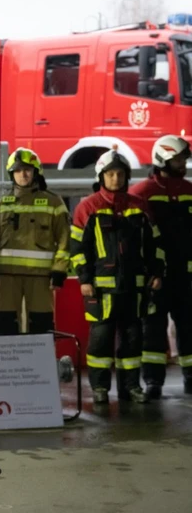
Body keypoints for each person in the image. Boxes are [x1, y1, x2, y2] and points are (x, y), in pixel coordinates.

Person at [70, 148, 164, 404]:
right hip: (100, 290)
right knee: (100, 340)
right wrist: (85, 279)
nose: (115, 179)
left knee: (132, 341)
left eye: (120, 174)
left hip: (134, 288)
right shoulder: (87, 207)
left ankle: (130, 387)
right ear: (101, 176)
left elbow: (154, 244)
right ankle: (100, 389)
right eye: (110, 174)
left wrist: (156, 272)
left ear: (126, 176)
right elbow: (78, 249)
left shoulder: (139, 207)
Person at [0, 148, 70, 335]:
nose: (24, 174)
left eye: (28, 169)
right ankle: (6, 364)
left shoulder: (53, 203)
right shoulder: (1, 203)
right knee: (4, 325)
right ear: (12, 173)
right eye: (18, 170)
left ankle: (40, 365)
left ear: (36, 172)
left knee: (41, 326)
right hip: (6, 277)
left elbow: (64, 240)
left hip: (41, 277)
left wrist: (59, 271)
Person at [128, 134, 192, 398]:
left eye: (183, 158)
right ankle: (153, 381)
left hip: (186, 274)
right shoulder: (141, 194)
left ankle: (191, 376)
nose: (182, 163)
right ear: (163, 159)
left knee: (189, 325)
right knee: (152, 328)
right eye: (177, 159)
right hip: (155, 276)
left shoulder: (189, 191)